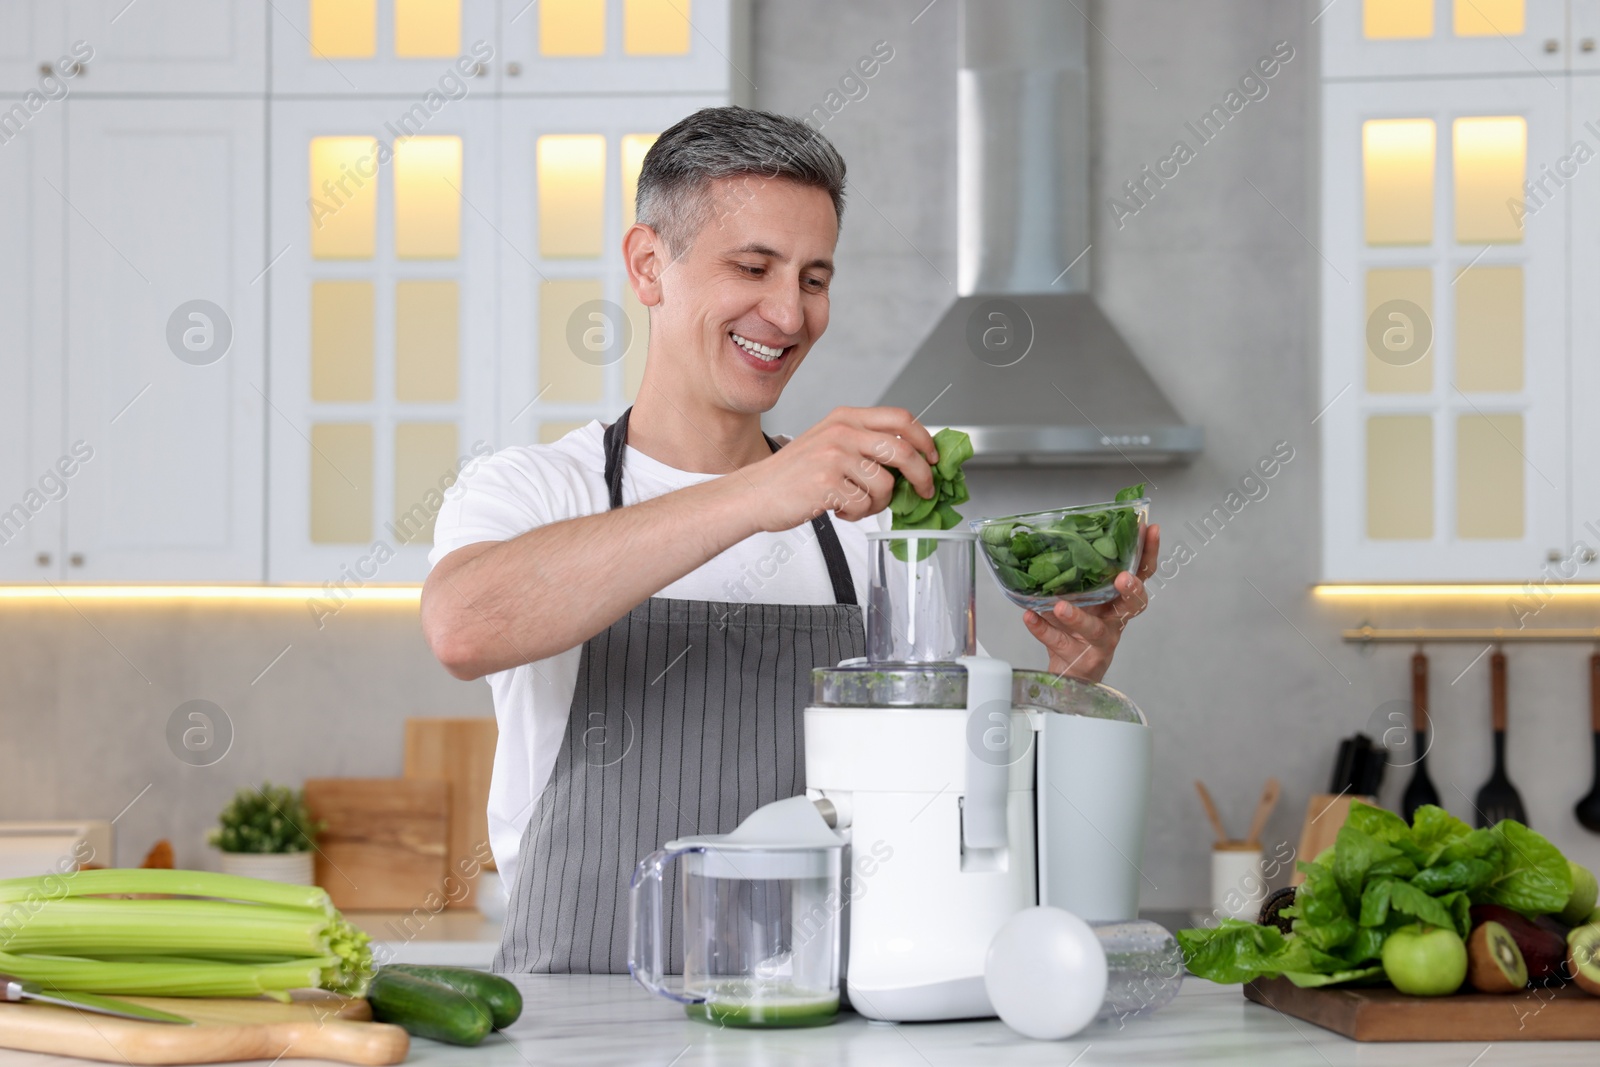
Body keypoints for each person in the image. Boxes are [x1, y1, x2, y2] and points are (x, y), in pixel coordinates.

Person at [421, 106, 1160, 974]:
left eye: (814, 278)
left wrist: (1066, 677)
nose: (788, 312)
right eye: (753, 267)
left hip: (819, 1010)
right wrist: (755, 491)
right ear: (648, 264)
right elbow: (464, 626)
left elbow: (958, 778)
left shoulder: (866, 524)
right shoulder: (536, 488)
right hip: (587, 1014)